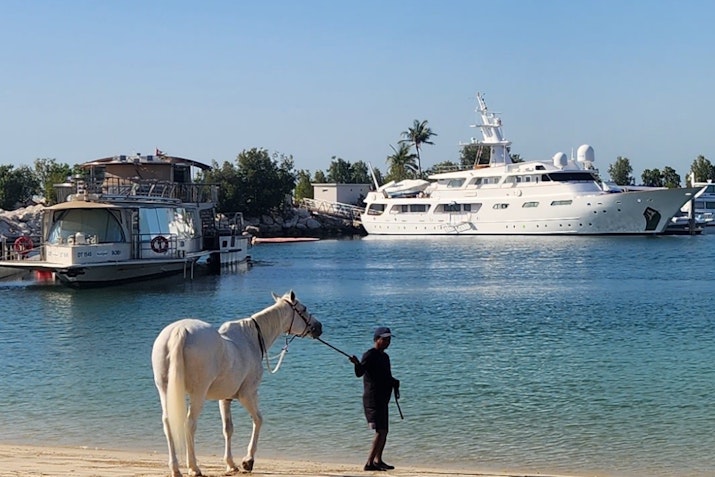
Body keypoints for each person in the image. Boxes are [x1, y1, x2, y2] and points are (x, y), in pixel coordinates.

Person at [349, 326, 400, 472]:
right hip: (372, 399)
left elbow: (385, 376)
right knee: (380, 431)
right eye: (384, 339)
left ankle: (378, 460)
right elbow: (360, 373)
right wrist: (356, 363)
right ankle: (369, 463)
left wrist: (394, 382)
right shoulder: (369, 355)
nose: (387, 342)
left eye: (389, 339)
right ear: (376, 339)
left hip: (383, 399)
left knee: (384, 431)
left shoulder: (385, 357)